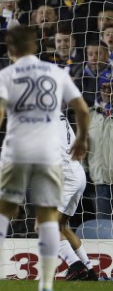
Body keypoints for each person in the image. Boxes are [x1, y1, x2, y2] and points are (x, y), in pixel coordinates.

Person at [0, 25, 90, 291]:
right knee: (49, 220)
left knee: (1, 212)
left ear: (9, 50)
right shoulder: (57, 73)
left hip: (17, 151)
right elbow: (82, 108)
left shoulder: (4, 75)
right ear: (35, 46)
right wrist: (82, 139)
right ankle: (46, 285)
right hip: (48, 155)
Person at [56, 114, 98, 281]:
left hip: (66, 176)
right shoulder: (57, 114)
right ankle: (90, 270)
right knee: (61, 226)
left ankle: (75, 265)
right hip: (77, 173)